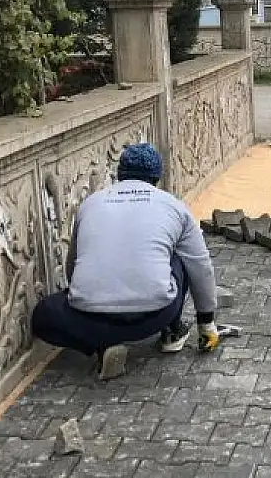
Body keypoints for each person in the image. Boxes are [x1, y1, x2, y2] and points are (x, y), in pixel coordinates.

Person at [31, 143, 221, 371]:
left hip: (89, 316)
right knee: (181, 257)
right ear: (157, 178)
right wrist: (206, 322)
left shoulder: (90, 204)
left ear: (119, 174)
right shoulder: (175, 207)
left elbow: (73, 268)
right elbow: (201, 266)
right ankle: (172, 333)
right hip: (156, 315)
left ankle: (102, 342)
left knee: (43, 316)